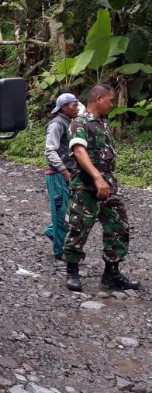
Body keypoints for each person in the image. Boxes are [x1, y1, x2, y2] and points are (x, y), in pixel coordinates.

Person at [63, 84, 140, 292]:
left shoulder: (103, 124)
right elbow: (79, 151)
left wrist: (105, 180)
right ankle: (72, 272)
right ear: (97, 98)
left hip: (107, 187)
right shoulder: (80, 122)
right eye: (110, 100)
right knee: (79, 229)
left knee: (118, 226)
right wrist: (97, 178)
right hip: (87, 187)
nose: (112, 104)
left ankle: (111, 273)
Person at [42, 93, 80, 261]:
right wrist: (64, 172)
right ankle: (59, 251)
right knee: (61, 213)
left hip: (68, 173)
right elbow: (50, 150)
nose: (77, 108)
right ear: (64, 107)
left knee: (70, 211)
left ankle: (52, 232)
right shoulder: (57, 124)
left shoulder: (69, 122)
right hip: (58, 175)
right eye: (73, 105)